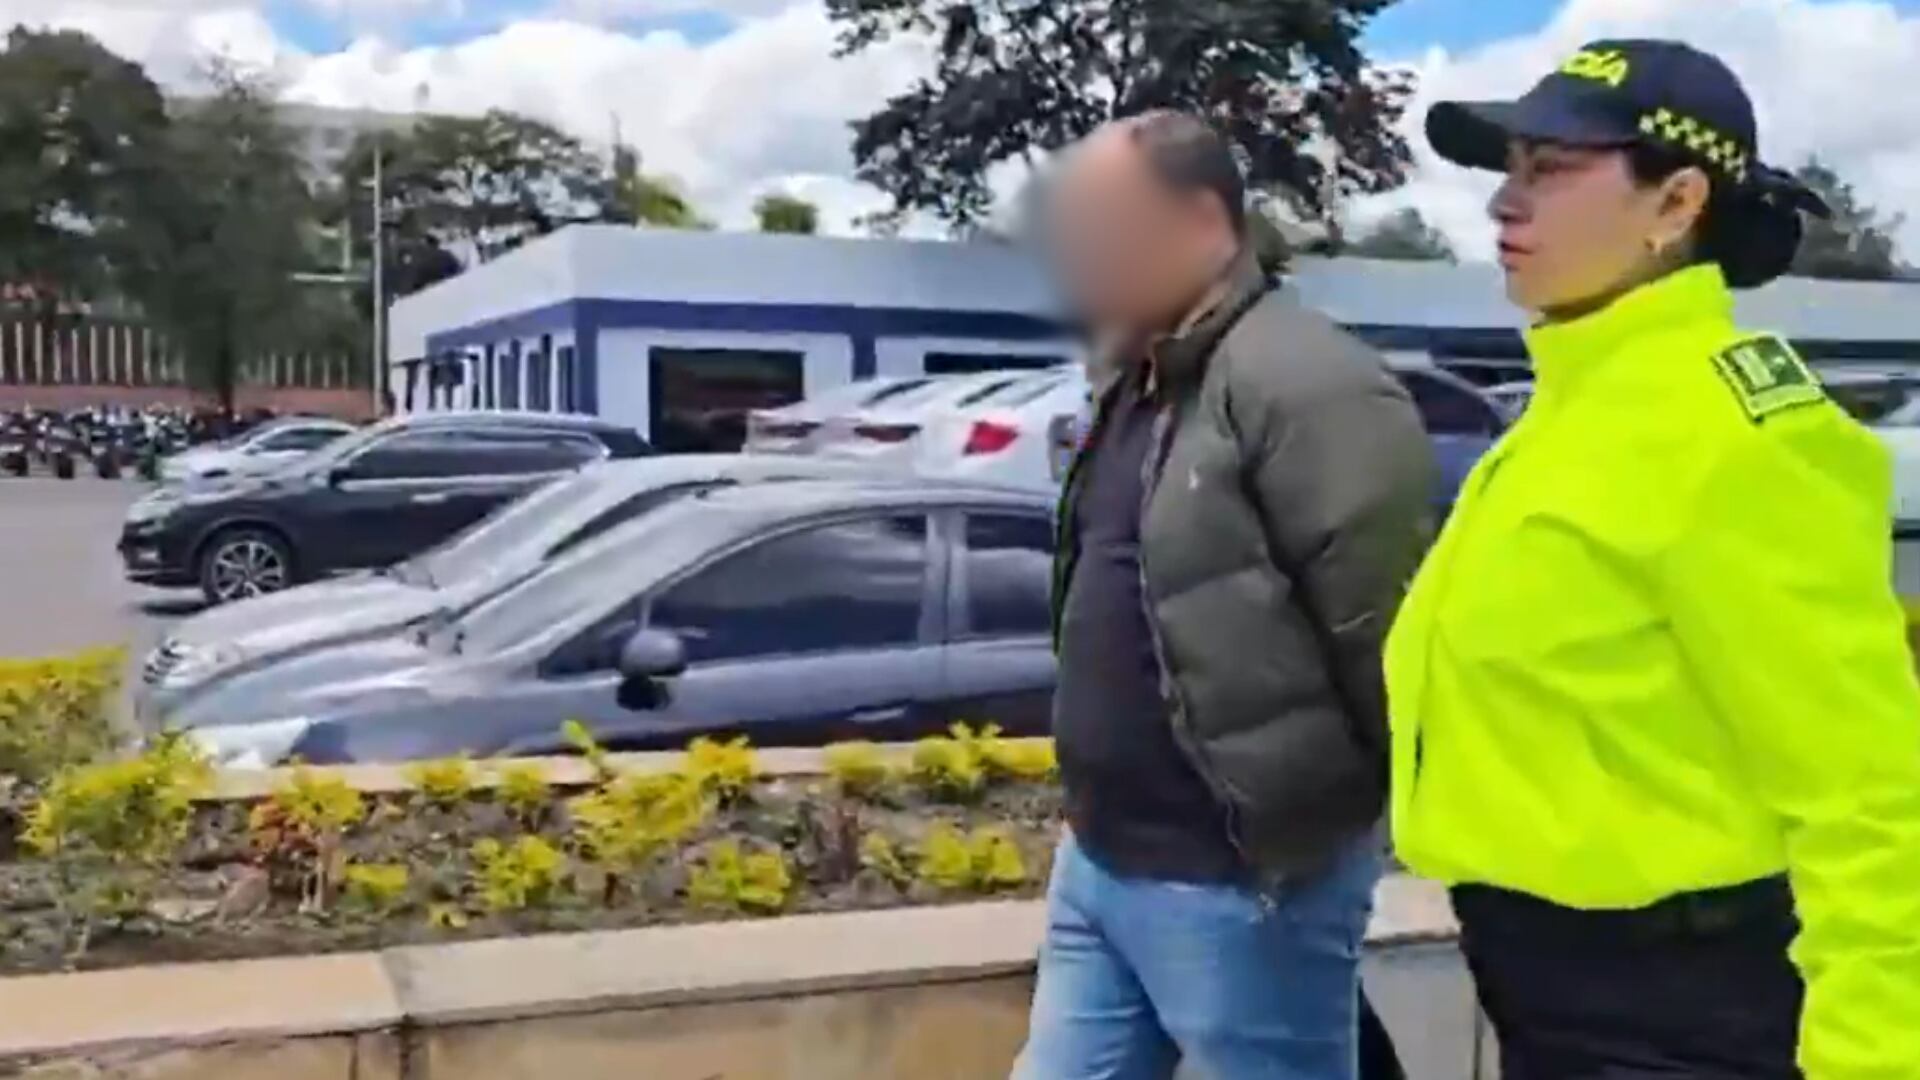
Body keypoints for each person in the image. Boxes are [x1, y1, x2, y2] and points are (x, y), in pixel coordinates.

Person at [1386, 38, 1920, 1078]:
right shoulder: (1575, 406)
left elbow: (1870, 794)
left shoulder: (1741, 436)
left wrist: (1875, 1058)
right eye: (1509, 168)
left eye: (1551, 169)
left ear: (1676, 203)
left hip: (1679, 1014)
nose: (1504, 202)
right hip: (1550, 986)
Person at [1014, 110, 1434, 1079]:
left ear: (1201, 220)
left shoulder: (1308, 379)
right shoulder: (1138, 374)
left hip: (1238, 884)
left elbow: (1385, 632)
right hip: (1102, 864)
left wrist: (1324, 848)